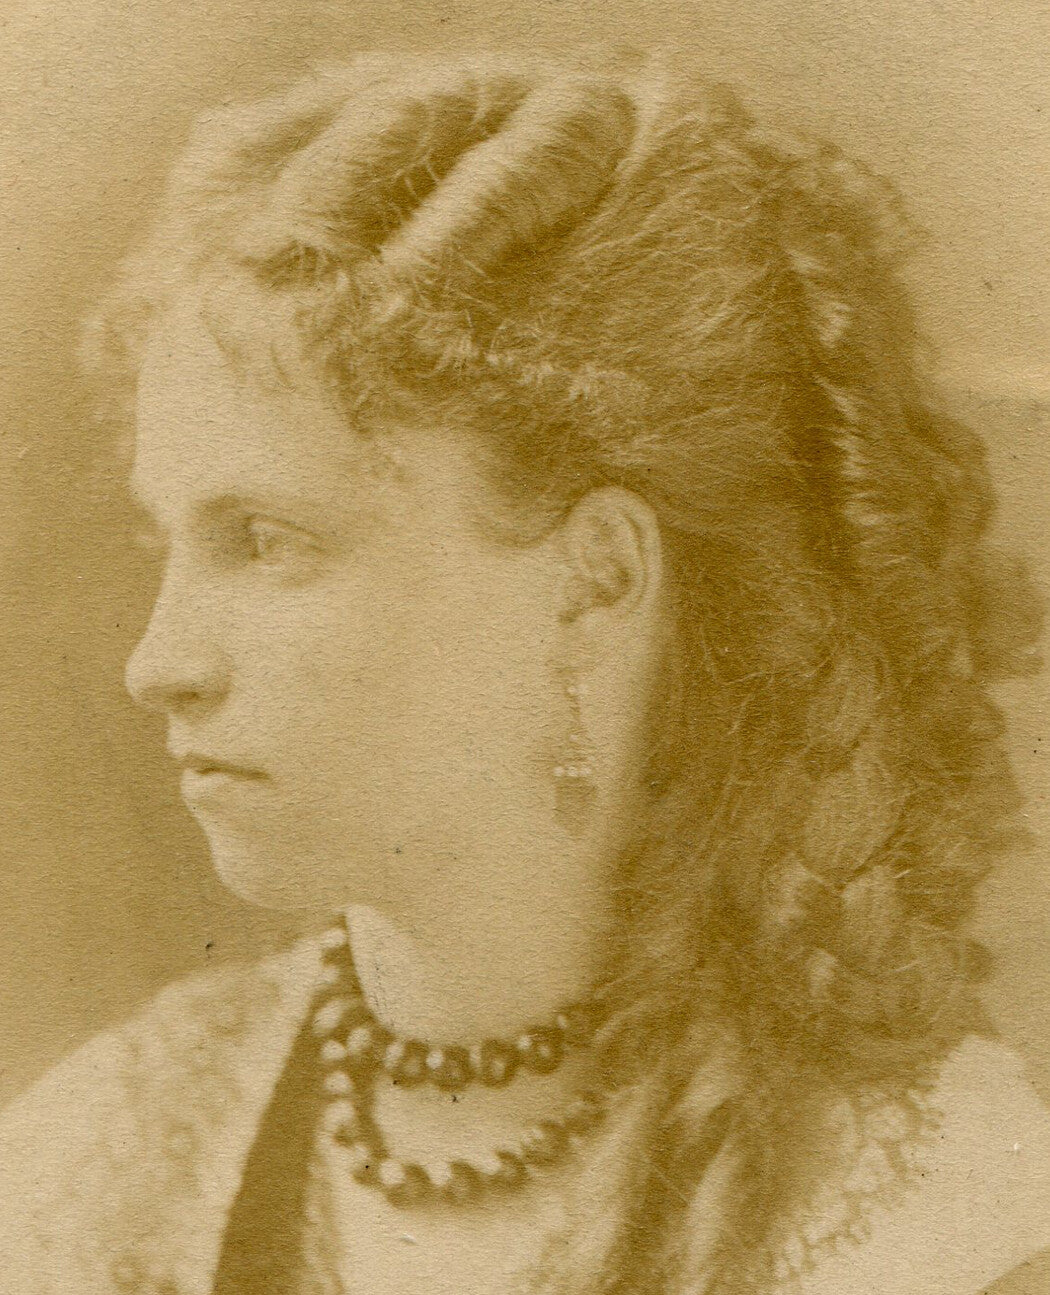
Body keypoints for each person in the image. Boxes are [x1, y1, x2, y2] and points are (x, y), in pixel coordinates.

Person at [1, 47, 1048, 1295]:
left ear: (597, 580)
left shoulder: (930, 1220)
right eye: (166, 542)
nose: (155, 664)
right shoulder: (108, 1157)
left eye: (266, 540)